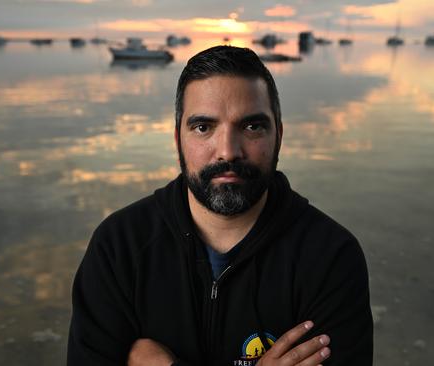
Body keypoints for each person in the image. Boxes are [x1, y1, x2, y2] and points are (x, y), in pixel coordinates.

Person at [67, 45, 373, 366]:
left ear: (278, 137)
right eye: (204, 127)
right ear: (177, 140)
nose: (227, 151)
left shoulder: (330, 256)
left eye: (252, 126)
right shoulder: (119, 247)